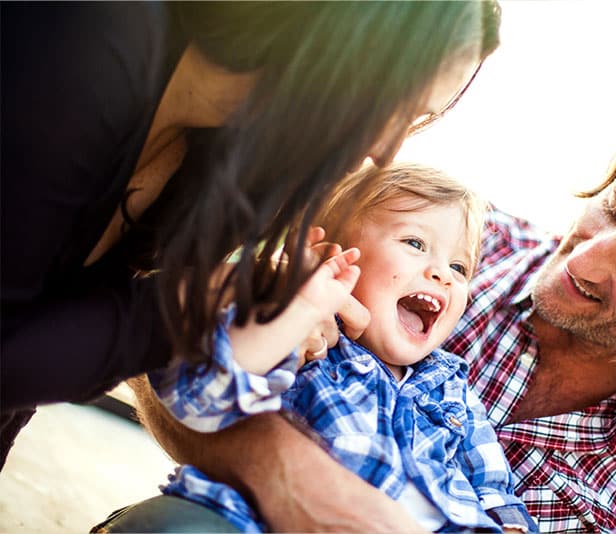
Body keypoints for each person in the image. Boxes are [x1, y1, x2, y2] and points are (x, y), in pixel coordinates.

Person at [122, 111, 616, 533]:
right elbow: (161, 343)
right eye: (612, 210)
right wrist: (291, 476)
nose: (586, 260)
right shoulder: (431, 243)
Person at [0, 0, 502, 467]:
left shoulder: (234, 166)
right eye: (397, 105)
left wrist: (249, 295)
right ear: (339, 44)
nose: (389, 149)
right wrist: (207, 297)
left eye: (418, 120)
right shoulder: (85, 40)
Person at [146, 162, 538, 533]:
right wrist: (300, 309)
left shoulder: (453, 386)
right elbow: (201, 395)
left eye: (459, 268)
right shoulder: (309, 341)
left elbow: (493, 489)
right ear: (333, 256)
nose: (442, 274)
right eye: (415, 243)